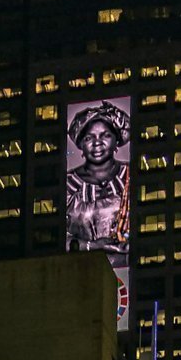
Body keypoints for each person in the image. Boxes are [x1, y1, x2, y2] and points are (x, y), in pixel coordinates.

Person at [65, 100, 130, 259]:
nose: (97, 143)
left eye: (105, 135)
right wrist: (91, 246)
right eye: (89, 138)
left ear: (116, 140)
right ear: (81, 144)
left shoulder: (132, 176)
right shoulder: (67, 185)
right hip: (82, 272)